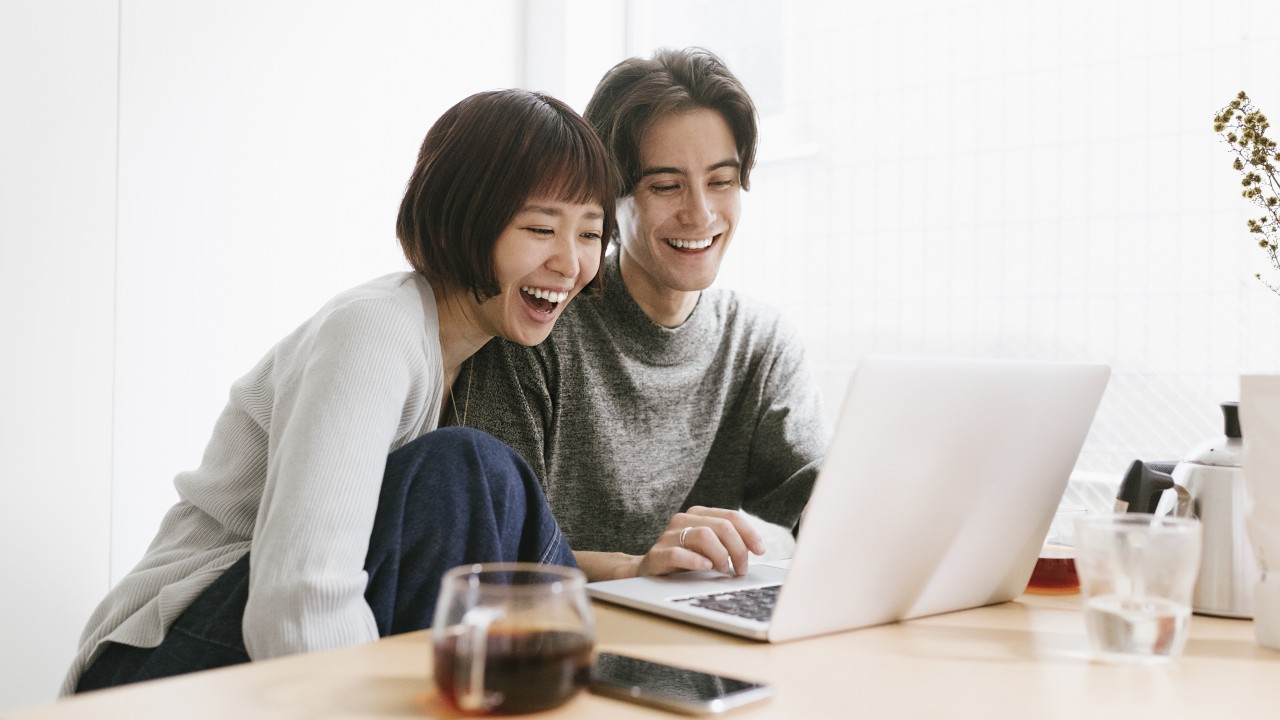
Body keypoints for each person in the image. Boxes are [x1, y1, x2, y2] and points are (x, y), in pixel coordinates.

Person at [63, 88, 615, 694]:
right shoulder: (373, 331)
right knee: (469, 467)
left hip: (251, 652)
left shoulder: (476, 355)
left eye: (589, 235)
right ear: (464, 218)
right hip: (157, 663)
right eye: (540, 228)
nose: (570, 263)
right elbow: (298, 600)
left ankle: (611, 683)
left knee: (492, 484)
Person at [455, 48, 828, 582]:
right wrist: (637, 570)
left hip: (715, 655)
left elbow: (826, 497)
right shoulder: (535, 324)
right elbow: (491, 555)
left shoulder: (758, 345)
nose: (700, 214)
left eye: (720, 181)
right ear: (610, 200)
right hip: (568, 654)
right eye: (666, 186)